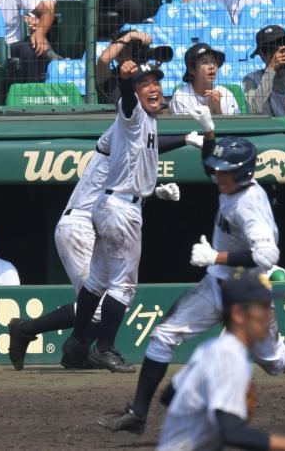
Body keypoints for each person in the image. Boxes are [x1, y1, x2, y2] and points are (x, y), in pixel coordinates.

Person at [97, 132, 285, 436]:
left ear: (242, 172)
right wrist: (207, 134)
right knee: (163, 337)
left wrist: (216, 256)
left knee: (276, 362)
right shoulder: (230, 182)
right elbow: (211, 166)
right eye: (218, 169)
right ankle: (138, 413)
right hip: (216, 286)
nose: (218, 174)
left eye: (225, 170)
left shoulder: (247, 204)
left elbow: (268, 255)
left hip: (247, 294)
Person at [7, 128, 193, 370]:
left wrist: (156, 192)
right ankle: (28, 331)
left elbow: (124, 198)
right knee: (102, 305)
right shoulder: (119, 137)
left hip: (96, 226)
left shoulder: (128, 163)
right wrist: (185, 139)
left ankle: (74, 351)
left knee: (111, 299)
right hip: (80, 225)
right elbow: (146, 142)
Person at [60, 61, 193, 373]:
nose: (154, 88)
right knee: (123, 285)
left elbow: (146, 150)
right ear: (135, 91)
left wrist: (186, 139)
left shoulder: (146, 122)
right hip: (121, 209)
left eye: (156, 83)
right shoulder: (132, 113)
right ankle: (104, 347)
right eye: (145, 84)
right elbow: (127, 98)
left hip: (111, 204)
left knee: (97, 280)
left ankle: (79, 341)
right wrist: (125, 78)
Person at [155, 270, 285, 451]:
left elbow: (169, 395)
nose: (269, 316)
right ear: (238, 313)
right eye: (262, 307)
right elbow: (232, 432)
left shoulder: (213, 348)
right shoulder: (229, 356)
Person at [170, 43, 240, 115]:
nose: (212, 66)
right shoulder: (181, 96)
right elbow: (187, 126)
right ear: (192, 70)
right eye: (205, 62)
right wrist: (208, 109)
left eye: (214, 62)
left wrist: (218, 109)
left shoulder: (226, 94)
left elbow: (233, 126)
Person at [96, 28, 155, 104]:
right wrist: (130, 36)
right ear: (117, 54)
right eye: (127, 46)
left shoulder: (146, 74)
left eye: (135, 47)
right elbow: (104, 60)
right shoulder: (110, 77)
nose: (132, 50)